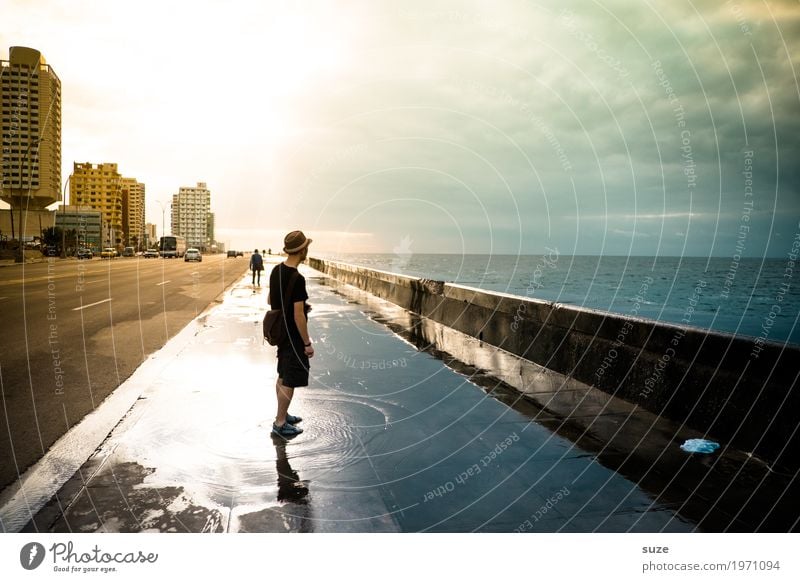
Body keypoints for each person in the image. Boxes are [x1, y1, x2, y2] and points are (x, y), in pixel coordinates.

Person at [268, 230, 313, 437]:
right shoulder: (297, 278)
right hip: (293, 336)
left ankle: (283, 414)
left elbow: (270, 300)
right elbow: (298, 316)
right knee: (289, 379)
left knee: (282, 374)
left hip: (280, 333)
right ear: (302, 250)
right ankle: (279, 423)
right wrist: (307, 343)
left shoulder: (276, 270)